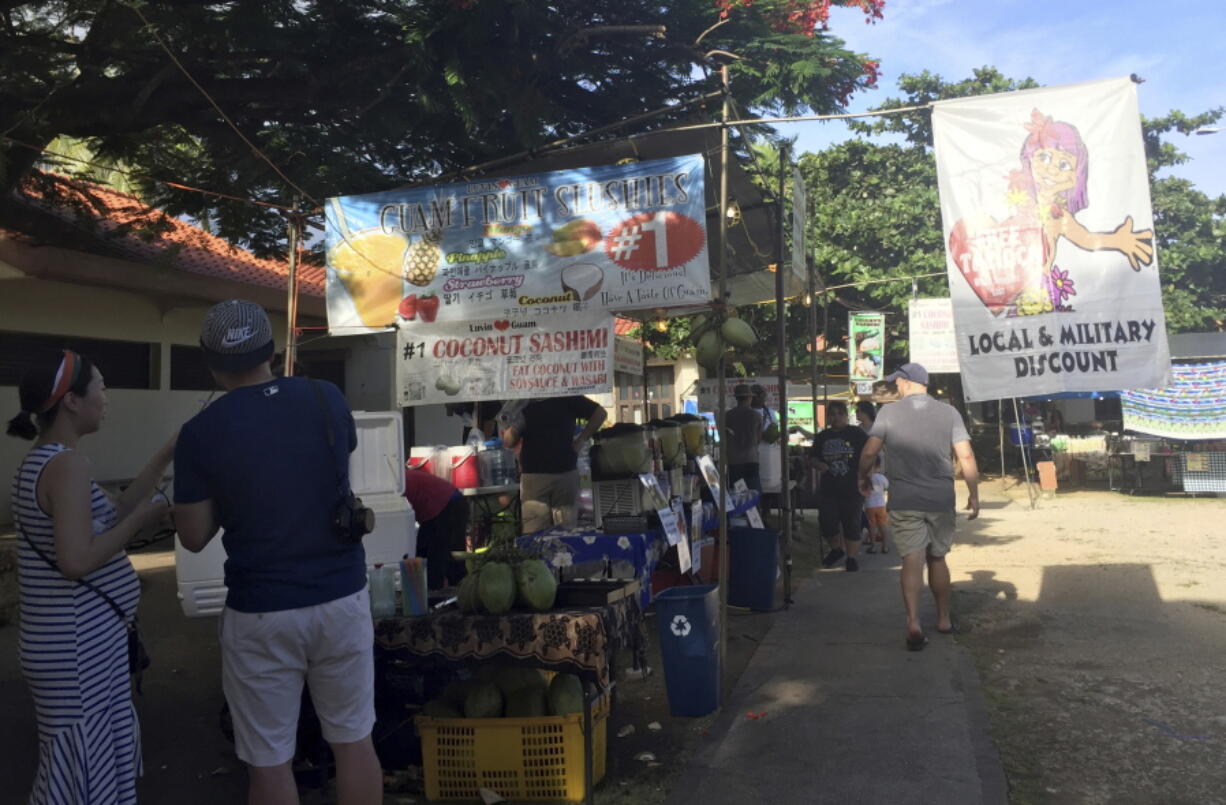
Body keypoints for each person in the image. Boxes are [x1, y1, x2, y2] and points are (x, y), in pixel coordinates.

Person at [173, 300, 382, 805]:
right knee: (353, 744)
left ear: (211, 363)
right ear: (272, 350)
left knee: (269, 764)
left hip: (261, 611)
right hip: (340, 598)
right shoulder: (325, 397)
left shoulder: (200, 432)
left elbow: (194, 535)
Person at [7, 349, 174, 804]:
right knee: (81, 763)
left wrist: (166, 453)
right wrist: (142, 521)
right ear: (72, 402)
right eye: (100, 386)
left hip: (70, 643)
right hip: (76, 647)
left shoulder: (46, 460)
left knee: (86, 757)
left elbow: (112, 514)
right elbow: (76, 560)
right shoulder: (67, 465)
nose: (106, 396)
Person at [857, 363, 980, 652]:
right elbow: (966, 455)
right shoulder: (949, 413)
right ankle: (944, 619)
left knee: (912, 558)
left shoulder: (888, 413)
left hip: (905, 498)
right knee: (937, 558)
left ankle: (913, 621)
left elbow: (869, 451)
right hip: (940, 498)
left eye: (897, 382)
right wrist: (974, 494)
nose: (895, 386)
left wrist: (862, 477)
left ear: (906, 382)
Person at [500, 395, 606, 534]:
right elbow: (508, 441)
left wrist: (581, 440)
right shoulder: (529, 401)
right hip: (547, 473)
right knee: (555, 533)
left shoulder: (563, 395)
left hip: (551, 473)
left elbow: (600, 413)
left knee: (547, 534)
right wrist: (581, 439)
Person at [810, 401, 868, 571]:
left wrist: (865, 477)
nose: (836, 417)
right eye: (832, 414)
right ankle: (836, 550)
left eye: (840, 414)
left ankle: (851, 558)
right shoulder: (823, 436)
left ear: (846, 415)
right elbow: (812, 457)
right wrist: (818, 464)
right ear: (828, 417)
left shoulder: (856, 433)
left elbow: (869, 456)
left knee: (852, 523)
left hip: (852, 487)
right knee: (827, 521)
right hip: (829, 488)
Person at [404, 467, 467, 589]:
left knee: (441, 560)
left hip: (449, 505)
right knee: (423, 557)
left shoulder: (398, 484)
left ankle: (458, 596)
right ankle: (429, 597)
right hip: (439, 507)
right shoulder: (398, 479)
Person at [725, 384, 763, 494]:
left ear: (736, 398)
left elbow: (725, 436)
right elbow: (758, 439)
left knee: (738, 495)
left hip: (734, 461)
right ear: (749, 397)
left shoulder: (727, 415)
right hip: (751, 459)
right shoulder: (756, 415)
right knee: (753, 494)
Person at [863, 455, 890, 554]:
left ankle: (873, 546)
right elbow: (887, 487)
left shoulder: (865, 479)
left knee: (872, 526)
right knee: (883, 525)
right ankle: (885, 546)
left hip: (869, 505)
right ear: (878, 466)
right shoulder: (881, 478)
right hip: (881, 505)